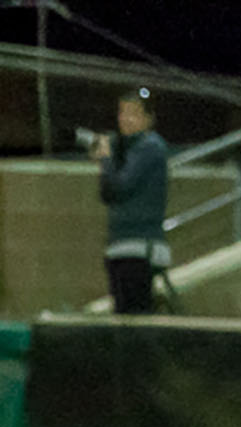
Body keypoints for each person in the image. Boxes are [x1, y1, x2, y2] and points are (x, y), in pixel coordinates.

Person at [91, 88, 170, 315]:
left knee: (136, 317)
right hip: (120, 247)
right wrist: (107, 158)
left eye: (133, 114)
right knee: (122, 316)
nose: (125, 119)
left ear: (148, 119)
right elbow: (107, 193)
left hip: (140, 248)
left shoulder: (150, 147)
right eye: (122, 113)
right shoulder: (127, 150)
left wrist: (105, 158)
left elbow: (120, 187)